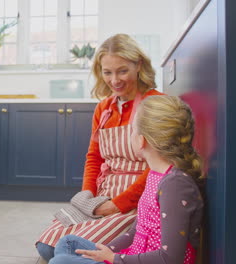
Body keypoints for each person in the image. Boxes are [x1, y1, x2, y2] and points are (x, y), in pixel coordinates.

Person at [36, 33, 164, 261]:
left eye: (122, 70)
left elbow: (158, 166)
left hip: (135, 201)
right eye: (107, 72)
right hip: (102, 197)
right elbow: (94, 157)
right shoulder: (104, 109)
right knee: (46, 247)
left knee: (67, 252)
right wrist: (88, 196)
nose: (114, 80)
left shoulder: (155, 103)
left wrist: (117, 205)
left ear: (139, 65)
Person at [49, 95, 204, 264]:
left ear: (141, 140)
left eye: (133, 130)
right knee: (68, 242)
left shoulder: (175, 185)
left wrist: (114, 258)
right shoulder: (155, 174)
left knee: (60, 261)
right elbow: (135, 231)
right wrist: (109, 250)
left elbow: (170, 259)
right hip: (132, 255)